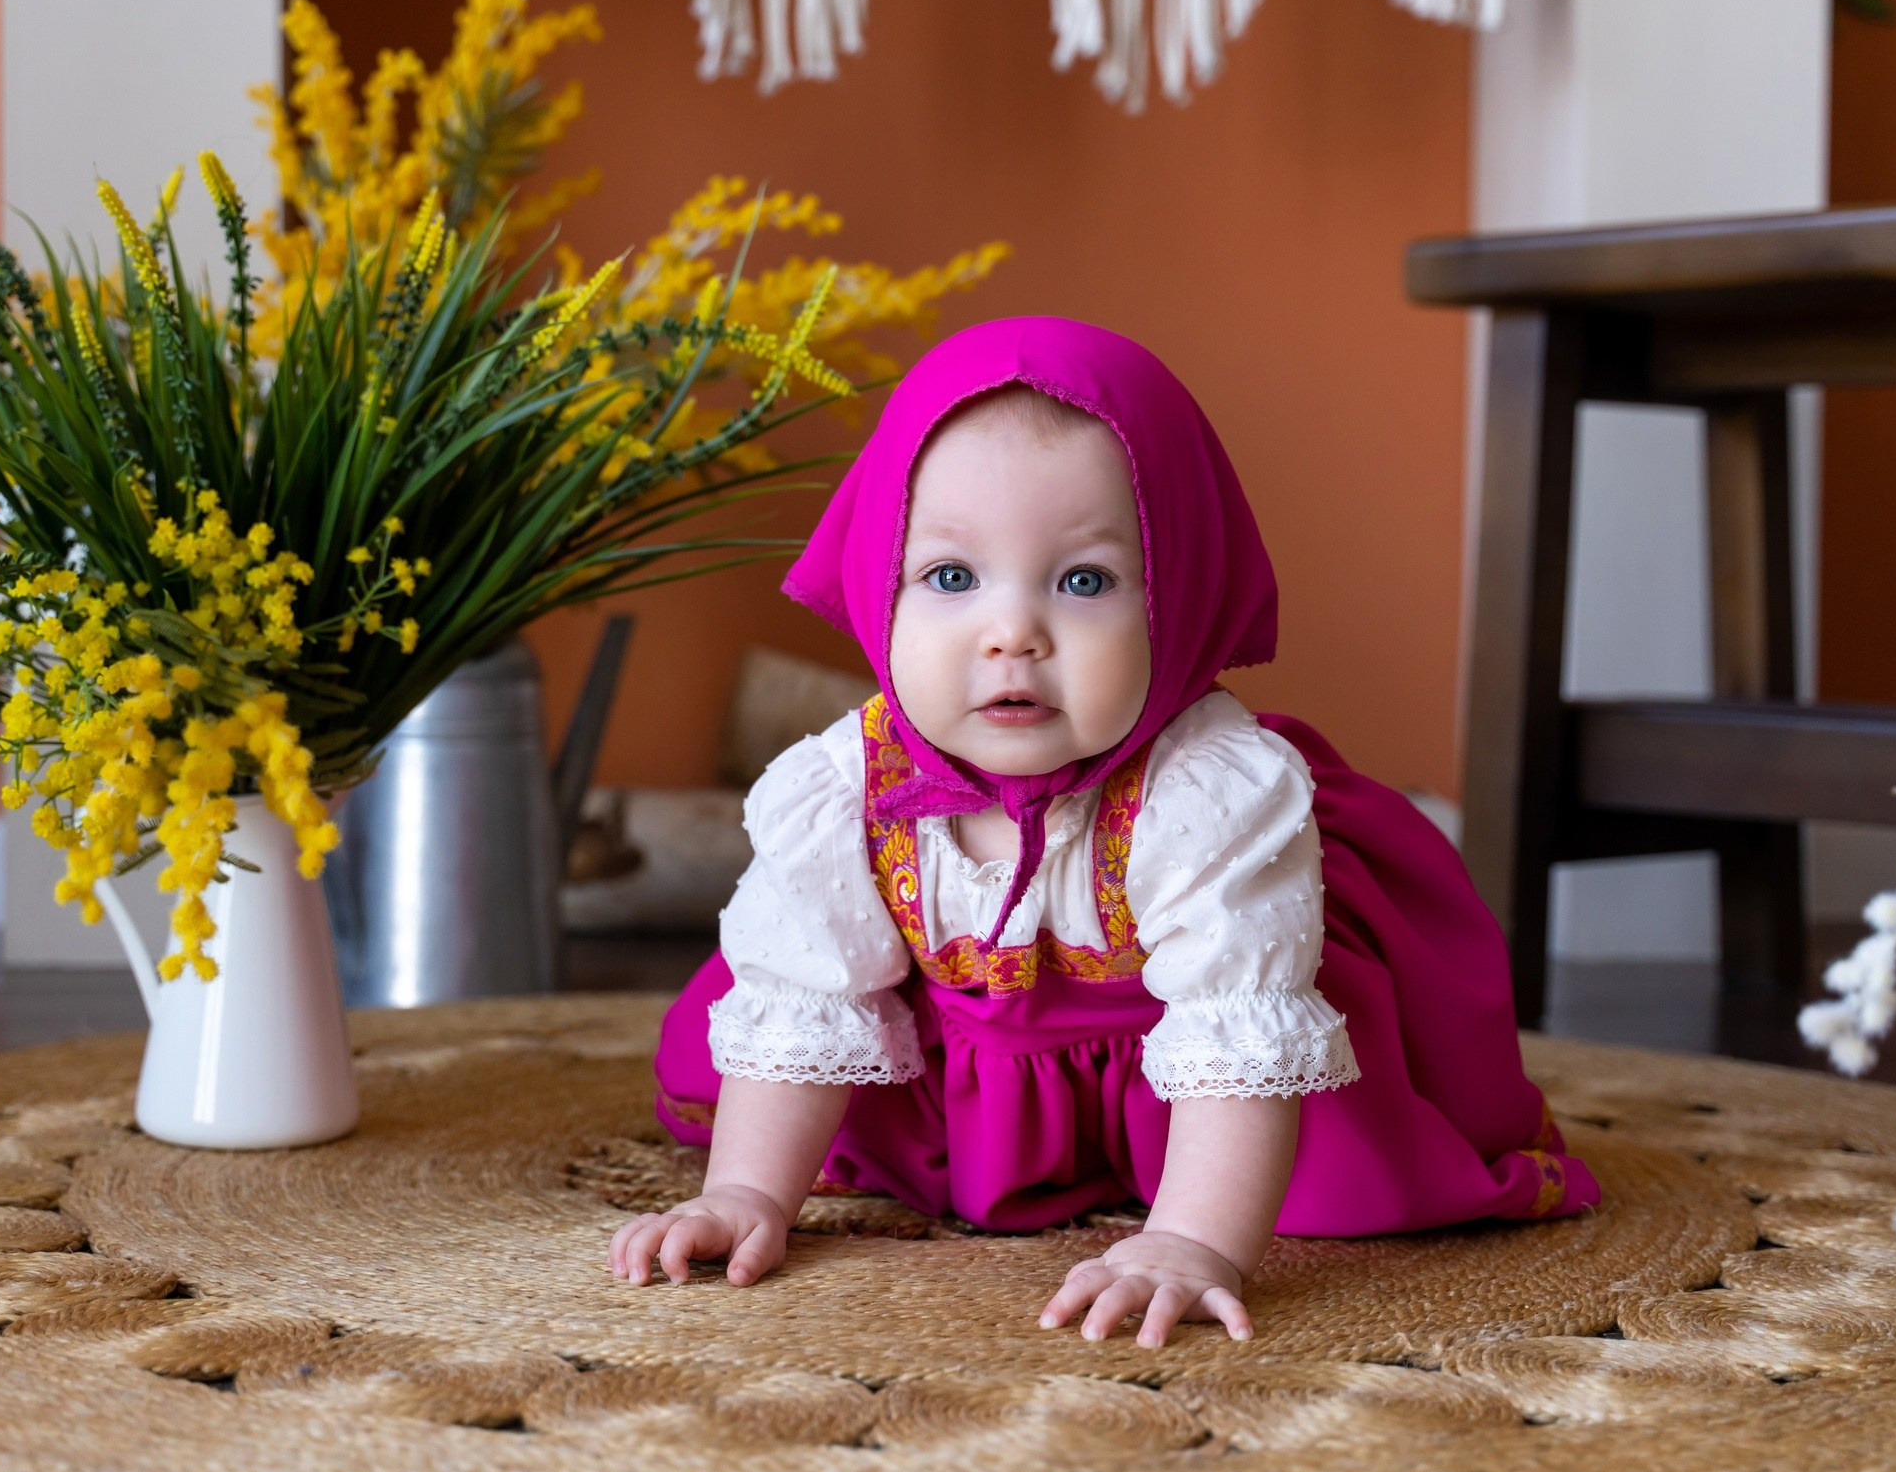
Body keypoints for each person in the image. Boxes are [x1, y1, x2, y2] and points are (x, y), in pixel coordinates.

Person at [609, 317, 1596, 1348]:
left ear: (1178, 597)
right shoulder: (843, 788)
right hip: (967, 1080)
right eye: (951, 578)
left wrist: (1192, 1241)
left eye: (1083, 582)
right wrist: (751, 1195)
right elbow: (811, 997)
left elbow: (1231, 1033)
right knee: (762, 1055)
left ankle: (1188, 1192)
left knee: (1339, 1174)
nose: (1012, 634)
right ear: (877, 582)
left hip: (1194, 1085)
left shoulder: (1205, 792)